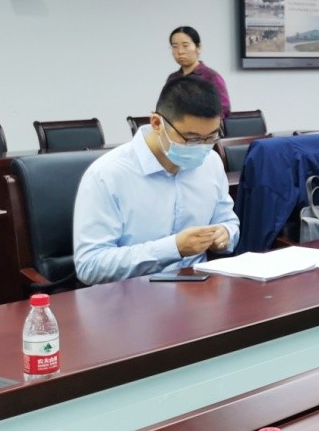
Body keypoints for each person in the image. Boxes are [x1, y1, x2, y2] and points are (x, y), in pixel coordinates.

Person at [74, 76, 239, 285]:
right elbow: (90, 265)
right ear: (157, 123)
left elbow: (228, 222)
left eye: (211, 137)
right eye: (192, 138)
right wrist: (174, 248)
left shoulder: (211, 163)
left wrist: (225, 234)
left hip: (200, 288)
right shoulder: (107, 175)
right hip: (132, 294)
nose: (202, 147)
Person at [164, 26, 230, 118]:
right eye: (175, 47)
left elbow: (224, 109)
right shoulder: (173, 78)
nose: (180, 51)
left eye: (185, 46)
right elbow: (165, 107)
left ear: (198, 47)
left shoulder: (210, 76)